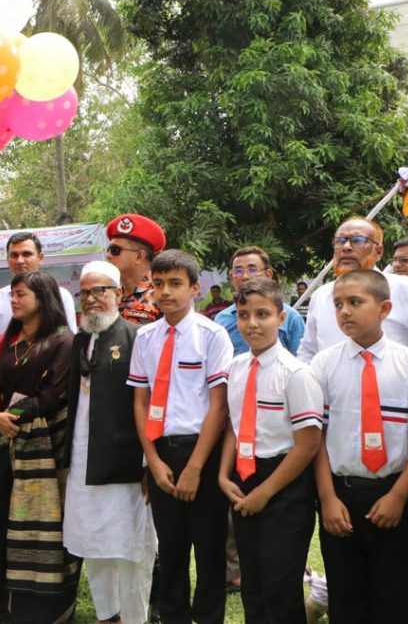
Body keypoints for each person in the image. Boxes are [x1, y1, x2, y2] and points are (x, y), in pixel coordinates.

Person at [128, 249, 234, 624]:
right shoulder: (145, 337)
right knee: (171, 549)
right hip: (161, 454)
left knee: (208, 549)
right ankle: (172, 616)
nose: (166, 292)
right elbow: (140, 403)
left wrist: (195, 468)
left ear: (195, 289)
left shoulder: (212, 335)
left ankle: (208, 617)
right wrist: (153, 461)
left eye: (175, 284)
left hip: (202, 453)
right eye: (158, 284)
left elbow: (219, 407)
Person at [310, 269, 408, 622]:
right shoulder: (324, 365)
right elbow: (317, 438)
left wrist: (398, 495)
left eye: (355, 302)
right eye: (338, 304)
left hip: (395, 493)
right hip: (342, 495)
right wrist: (327, 498)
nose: (345, 312)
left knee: (395, 593)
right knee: (346, 594)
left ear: (385, 309)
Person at [0, 271, 79, 624]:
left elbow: (52, 396)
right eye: (12, 295)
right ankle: (3, 601)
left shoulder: (63, 342)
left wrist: (11, 418)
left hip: (45, 447)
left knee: (44, 521)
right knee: (4, 513)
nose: (14, 301)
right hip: (7, 442)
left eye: (21, 294)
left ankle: (44, 607)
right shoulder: (9, 338)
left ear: (42, 298)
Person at [217, 278, 323, 623]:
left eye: (262, 314)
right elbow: (234, 426)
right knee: (254, 583)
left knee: (280, 586)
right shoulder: (236, 368)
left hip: (284, 485)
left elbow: (308, 444)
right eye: (244, 315)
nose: (252, 323)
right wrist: (223, 475)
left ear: (281, 317)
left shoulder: (296, 374)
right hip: (243, 477)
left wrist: (265, 492)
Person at [63, 261, 157, 624]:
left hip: (125, 464)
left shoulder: (137, 337)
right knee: (92, 542)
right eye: (84, 292)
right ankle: (107, 615)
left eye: (98, 291)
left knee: (131, 548)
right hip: (83, 461)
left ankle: (135, 618)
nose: (90, 299)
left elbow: (149, 404)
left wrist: (148, 462)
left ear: (117, 293)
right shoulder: (80, 340)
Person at [298, 218, 408, 362]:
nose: (346, 247)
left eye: (358, 240)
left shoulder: (405, 289)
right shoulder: (321, 295)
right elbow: (308, 351)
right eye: (340, 241)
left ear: (378, 252)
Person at [0, 232, 77, 355]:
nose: (20, 260)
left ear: (40, 258)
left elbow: (69, 342)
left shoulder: (61, 296)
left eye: (26, 254)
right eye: (14, 255)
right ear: (7, 260)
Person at [214, 246, 307, 356]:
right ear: (231, 276)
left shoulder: (291, 317)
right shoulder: (222, 320)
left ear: (268, 275)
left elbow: (302, 358)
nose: (245, 276)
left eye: (252, 270)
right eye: (238, 271)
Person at [105, 213, 167, 325]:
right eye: (108, 249)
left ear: (139, 256)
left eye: (115, 250)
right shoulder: (110, 294)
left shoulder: (164, 294)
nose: (108, 255)